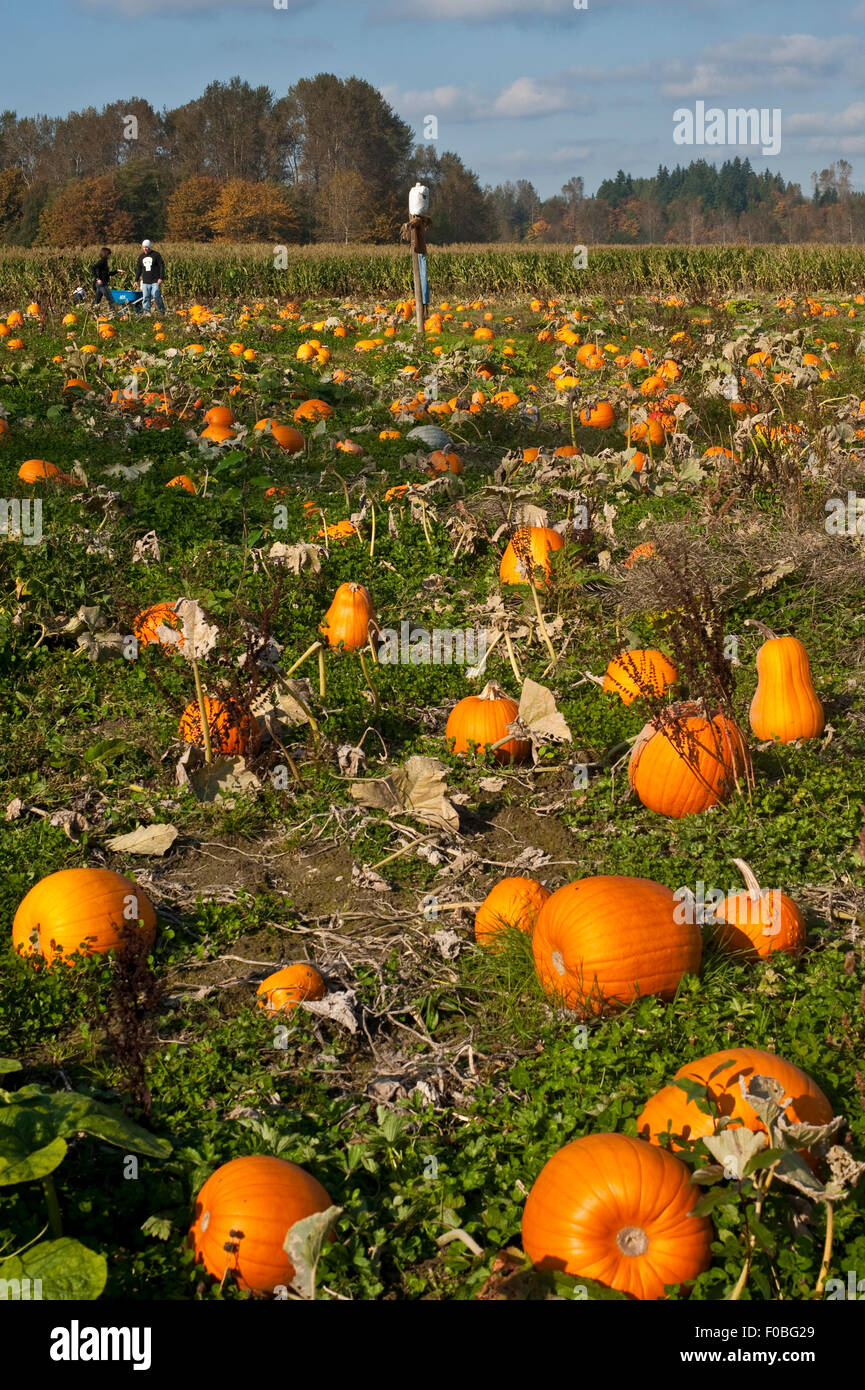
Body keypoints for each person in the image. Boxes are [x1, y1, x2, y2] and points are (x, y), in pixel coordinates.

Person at [136, 239, 166, 314]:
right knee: (146, 297)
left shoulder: (156, 255)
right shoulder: (141, 257)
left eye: (146, 247)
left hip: (155, 280)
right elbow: (139, 269)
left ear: (150, 247)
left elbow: (161, 266)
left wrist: (161, 277)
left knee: (156, 296)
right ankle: (147, 312)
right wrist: (136, 280)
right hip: (145, 281)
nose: (145, 249)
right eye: (143, 247)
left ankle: (161, 311)